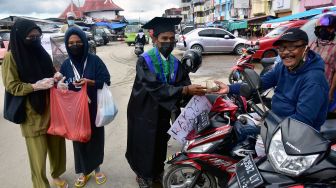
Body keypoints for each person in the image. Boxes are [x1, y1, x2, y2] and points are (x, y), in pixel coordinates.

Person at [125, 17, 207, 188]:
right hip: (143, 112)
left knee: (159, 145)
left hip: (162, 113)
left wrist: (202, 92)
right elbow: (155, 87)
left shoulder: (175, 63)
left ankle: (157, 173)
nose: (168, 42)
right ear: (155, 40)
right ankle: (143, 176)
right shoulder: (145, 61)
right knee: (144, 146)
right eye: (164, 39)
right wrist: (184, 90)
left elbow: (184, 84)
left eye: (171, 38)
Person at [215, 28, 329, 131]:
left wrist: (269, 124)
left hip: (297, 135)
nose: (285, 52)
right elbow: (261, 83)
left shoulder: (314, 80)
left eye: (291, 47)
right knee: (234, 127)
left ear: (306, 49)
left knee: (247, 136)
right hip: (277, 119)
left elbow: (302, 121)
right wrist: (229, 88)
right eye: (281, 48)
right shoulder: (283, 67)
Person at [2, 19, 68, 188]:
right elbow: (11, 86)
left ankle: (56, 175)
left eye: (38, 36)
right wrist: (34, 86)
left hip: (51, 107)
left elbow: (51, 72)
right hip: (32, 112)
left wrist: (56, 78)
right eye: (31, 37)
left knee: (57, 147)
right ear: (19, 37)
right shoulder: (12, 57)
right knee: (38, 156)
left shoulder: (41, 52)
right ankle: (40, 184)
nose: (35, 40)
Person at [58, 27, 110, 187]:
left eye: (78, 42)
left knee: (95, 140)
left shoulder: (94, 60)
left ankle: (97, 170)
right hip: (75, 112)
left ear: (84, 42)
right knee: (78, 141)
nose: (75, 45)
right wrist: (60, 84)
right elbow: (62, 84)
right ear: (67, 45)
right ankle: (82, 172)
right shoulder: (66, 64)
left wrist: (91, 82)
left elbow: (107, 80)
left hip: (94, 109)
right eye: (71, 43)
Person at [310, 13, 336, 117]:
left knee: (321, 116)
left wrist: (330, 92)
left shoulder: (334, 48)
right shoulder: (312, 44)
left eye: (327, 28)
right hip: (308, 87)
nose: (322, 31)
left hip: (324, 89)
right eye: (320, 28)